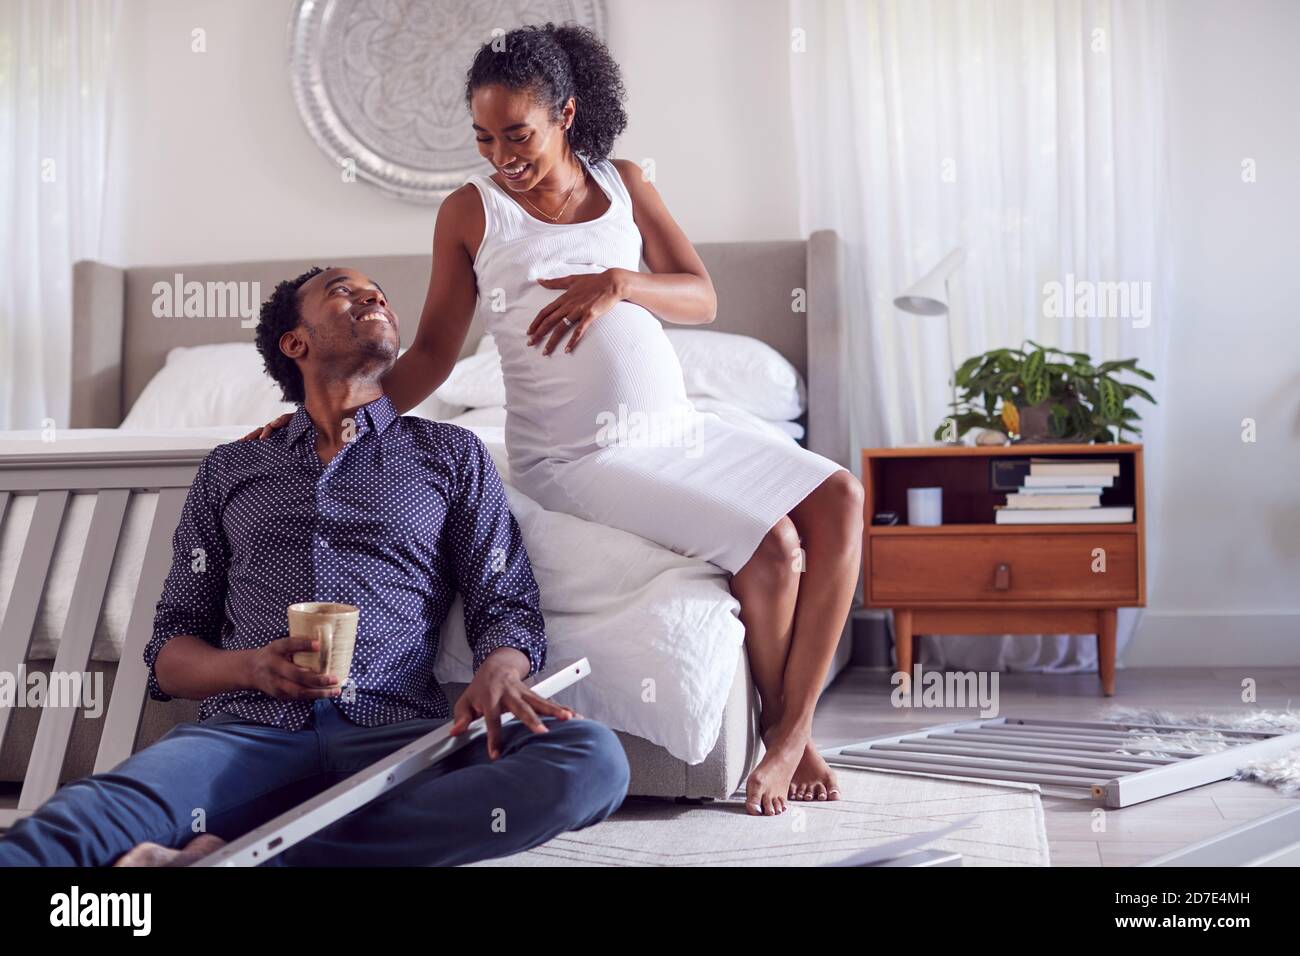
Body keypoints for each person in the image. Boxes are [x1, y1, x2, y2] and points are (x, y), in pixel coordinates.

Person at [245, 23, 863, 817]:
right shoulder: (472, 213)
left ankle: (791, 729)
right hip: (578, 459)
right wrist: (322, 422)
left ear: (566, 114)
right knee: (774, 547)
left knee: (842, 497)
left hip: (679, 431)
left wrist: (619, 281)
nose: (502, 155)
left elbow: (701, 296)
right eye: (484, 138)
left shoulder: (626, 182)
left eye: (518, 135)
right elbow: (434, 353)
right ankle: (788, 741)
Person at [0, 266, 629, 867]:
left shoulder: (449, 453)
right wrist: (249, 668)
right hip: (245, 737)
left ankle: (235, 859)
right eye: (343, 292)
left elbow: (507, 605)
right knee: (78, 821)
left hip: (398, 739)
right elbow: (170, 651)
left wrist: (499, 669)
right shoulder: (231, 469)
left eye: (378, 293)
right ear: (295, 341)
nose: (373, 298)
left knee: (592, 760)